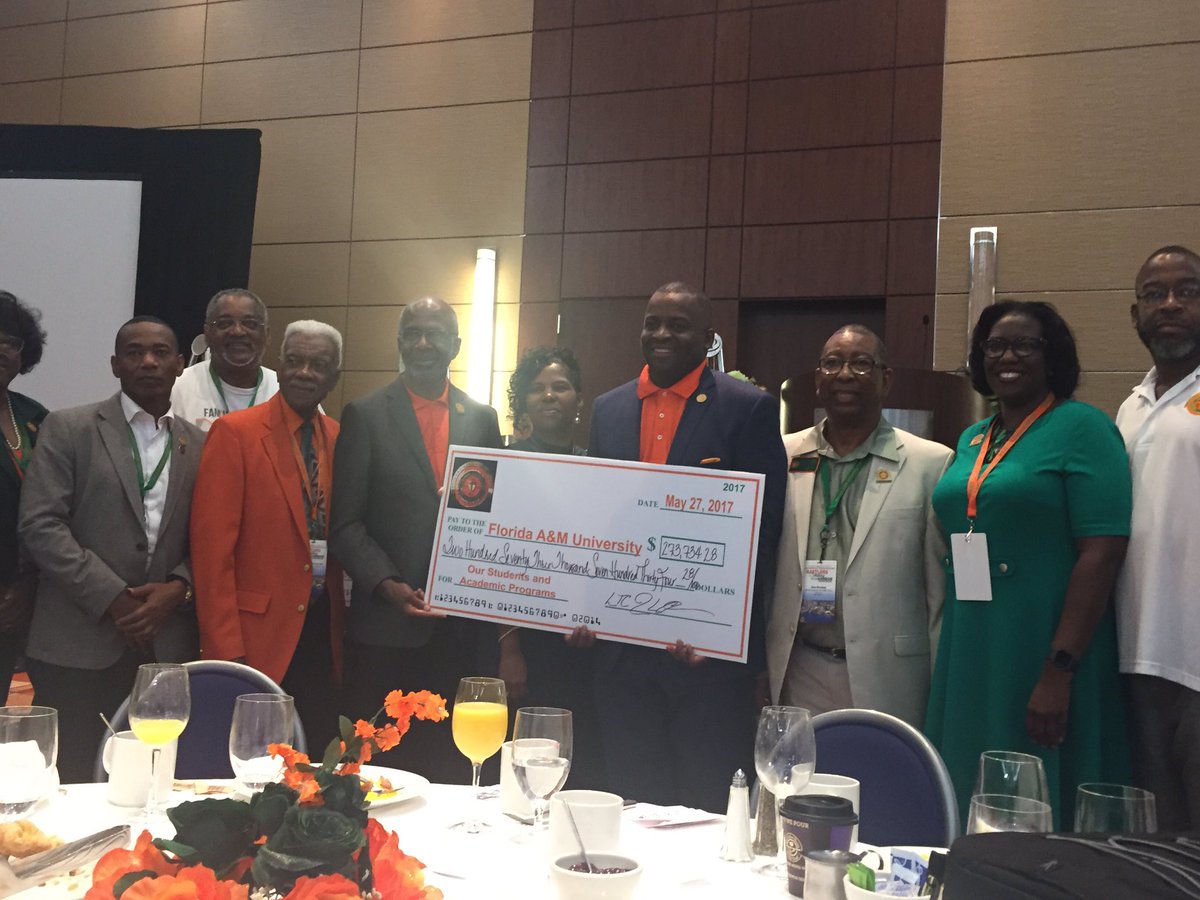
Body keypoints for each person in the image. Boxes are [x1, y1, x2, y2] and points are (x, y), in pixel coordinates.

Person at [925, 300, 1131, 827]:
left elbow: (1102, 552)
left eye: (1024, 345)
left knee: (1035, 782)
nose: (1007, 356)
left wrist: (1059, 669)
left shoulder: (1083, 427)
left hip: (1044, 643)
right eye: (995, 346)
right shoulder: (975, 437)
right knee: (967, 778)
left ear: (1052, 354)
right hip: (973, 638)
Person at [586, 281, 786, 812]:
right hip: (621, 656)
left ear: (707, 338)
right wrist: (580, 609)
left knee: (703, 808)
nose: (662, 334)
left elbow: (762, 535)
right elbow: (594, 519)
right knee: (632, 804)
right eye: (652, 323)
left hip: (704, 661)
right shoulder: (608, 410)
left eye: (678, 325)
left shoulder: (747, 408)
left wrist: (719, 633)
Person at [18, 316, 204, 782]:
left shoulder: (200, 444)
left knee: (153, 779)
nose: (148, 362)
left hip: (164, 642)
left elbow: (211, 536)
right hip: (76, 640)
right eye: (134, 352)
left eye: (160, 353)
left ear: (180, 365)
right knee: (71, 780)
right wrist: (114, 597)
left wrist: (179, 588)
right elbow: (40, 524)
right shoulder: (68, 427)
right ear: (115, 365)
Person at [330, 297, 502, 783]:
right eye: (413, 333)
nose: (423, 343)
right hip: (386, 630)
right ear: (400, 343)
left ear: (456, 345)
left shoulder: (482, 418)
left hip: (461, 633)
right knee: (376, 774)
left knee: (455, 769)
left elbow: (495, 518)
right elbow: (345, 524)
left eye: (435, 333)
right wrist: (387, 584)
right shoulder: (364, 414)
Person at [766, 326, 952, 728]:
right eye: (832, 363)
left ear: (886, 379)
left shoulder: (930, 463)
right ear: (818, 378)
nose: (845, 374)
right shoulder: (783, 454)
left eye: (861, 363)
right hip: (799, 668)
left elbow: (938, 595)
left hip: (889, 676)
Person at [191, 320, 345, 738]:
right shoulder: (236, 433)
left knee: (313, 760)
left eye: (318, 364)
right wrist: (225, 653)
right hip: (254, 637)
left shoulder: (338, 437)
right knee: (248, 761)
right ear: (280, 365)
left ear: (334, 377)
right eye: (294, 361)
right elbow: (211, 554)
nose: (304, 372)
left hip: (321, 633)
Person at [1116, 245, 1200, 830]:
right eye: (1154, 294)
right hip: (1136, 655)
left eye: (1187, 291)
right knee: (1156, 839)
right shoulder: (1131, 405)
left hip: (1194, 662)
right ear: (1135, 315)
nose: (1170, 304)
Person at [497, 346, 605, 788]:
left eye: (560, 387)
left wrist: (598, 620)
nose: (548, 395)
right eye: (537, 388)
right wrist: (509, 650)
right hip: (524, 643)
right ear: (522, 401)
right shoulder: (503, 465)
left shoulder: (601, 466)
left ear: (578, 399)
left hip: (586, 643)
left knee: (581, 765)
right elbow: (496, 566)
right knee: (527, 766)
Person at [0, 292, 49, 704]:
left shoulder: (34, 416)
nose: (1, 349)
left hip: (23, 595)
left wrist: (26, 582)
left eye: (10, 341)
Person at [171, 289, 277, 432]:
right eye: (225, 323)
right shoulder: (176, 389)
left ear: (267, 335)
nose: (238, 331)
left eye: (250, 323)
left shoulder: (284, 392)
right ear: (207, 334)